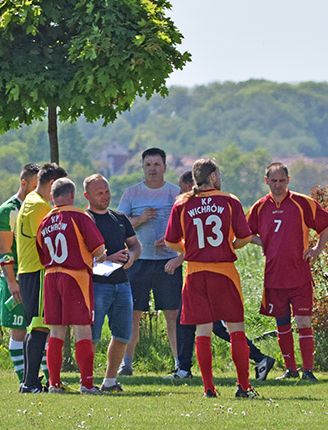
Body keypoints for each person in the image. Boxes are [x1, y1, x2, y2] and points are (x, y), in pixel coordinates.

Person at [167, 170, 276, 380]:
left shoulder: (182, 203)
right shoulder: (229, 200)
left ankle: (208, 387)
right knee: (234, 328)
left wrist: (189, 249)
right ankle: (243, 385)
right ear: (214, 176)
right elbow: (245, 236)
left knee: (203, 331)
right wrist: (231, 245)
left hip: (195, 272)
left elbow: (170, 241)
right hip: (224, 271)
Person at [247, 162, 328, 382]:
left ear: (288, 180)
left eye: (281, 181)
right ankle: (290, 369)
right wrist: (264, 242)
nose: (278, 185)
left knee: (304, 321)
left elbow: (327, 225)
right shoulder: (259, 207)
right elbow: (244, 233)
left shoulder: (302, 203)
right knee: (282, 324)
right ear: (266, 181)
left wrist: (317, 249)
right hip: (274, 276)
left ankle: (308, 371)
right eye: (273, 181)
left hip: (299, 275)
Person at [36, 178, 106, 394]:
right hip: (75, 276)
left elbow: (41, 255)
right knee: (82, 328)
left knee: (56, 331)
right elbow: (98, 250)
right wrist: (103, 257)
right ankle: (86, 383)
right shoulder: (79, 216)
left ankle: (54, 384)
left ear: (52, 197)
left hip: (51, 277)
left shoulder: (44, 221)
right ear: (72, 195)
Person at [117, 147, 182, 375]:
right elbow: (120, 226)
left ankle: (179, 364)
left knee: (172, 315)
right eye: (148, 165)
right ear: (142, 167)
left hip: (169, 262)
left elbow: (186, 226)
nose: (152, 169)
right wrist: (140, 218)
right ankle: (127, 363)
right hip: (139, 261)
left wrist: (171, 240)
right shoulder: (132, 193)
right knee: (133, 313)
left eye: (156, 165)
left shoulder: (175, 193)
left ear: (165, 167)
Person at [84, 174, 142, 392]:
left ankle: (109, 381)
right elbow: (80, 255)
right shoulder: (84, 219)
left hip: (122, 283)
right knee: (92, 336)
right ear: (86, 195)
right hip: (96, 285)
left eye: (107, 191)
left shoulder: (119, 218)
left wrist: (132, 257)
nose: (105, 196)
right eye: (99, 193)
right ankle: (86, 380)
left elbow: (136, 245)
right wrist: (107, 259)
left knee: (122, 335)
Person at [16, 163, 68, 393]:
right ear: (51, 184)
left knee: (37, 327)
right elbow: (47, 239)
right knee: (38, 327)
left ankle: (30, 381)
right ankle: (30, 383)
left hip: (31, 270)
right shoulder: (39, 206)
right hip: (37, 271)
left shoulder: (33, 202)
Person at [0, 163, 39, 384]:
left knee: (41, 327)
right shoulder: (8, 210)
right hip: (17, 279)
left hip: (37, 277)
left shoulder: (40, 206)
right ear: (24, 183)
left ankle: (43, 379)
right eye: (36, 185)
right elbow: (4, 251)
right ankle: (24, 380)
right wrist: (12, 282)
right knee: (19, 330)